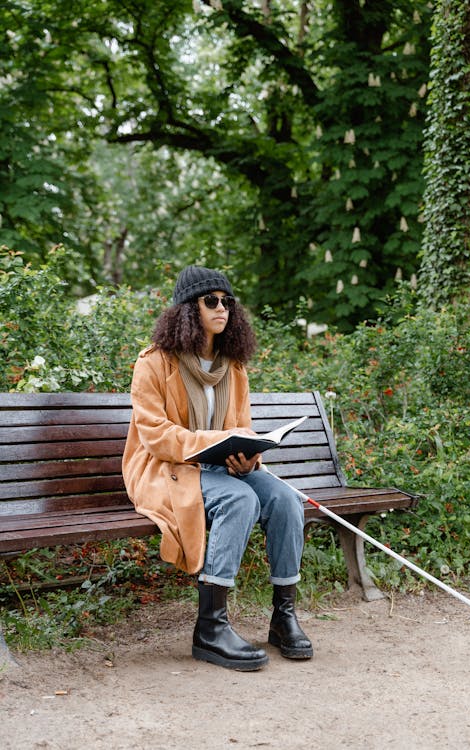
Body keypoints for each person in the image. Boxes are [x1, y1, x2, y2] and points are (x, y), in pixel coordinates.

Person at [122, 265, 313, 671]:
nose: (221, 307)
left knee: (285, 499)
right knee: (239, 499)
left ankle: (283, 617)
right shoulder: (155, 363)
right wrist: (213, 444)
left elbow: (239, 426)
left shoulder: (233, 366)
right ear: (188, 309)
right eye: (211, 300)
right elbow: (155, 435)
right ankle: (210, 627)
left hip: (221, 468)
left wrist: (248, 454)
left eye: (227, 301)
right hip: (166, 470)